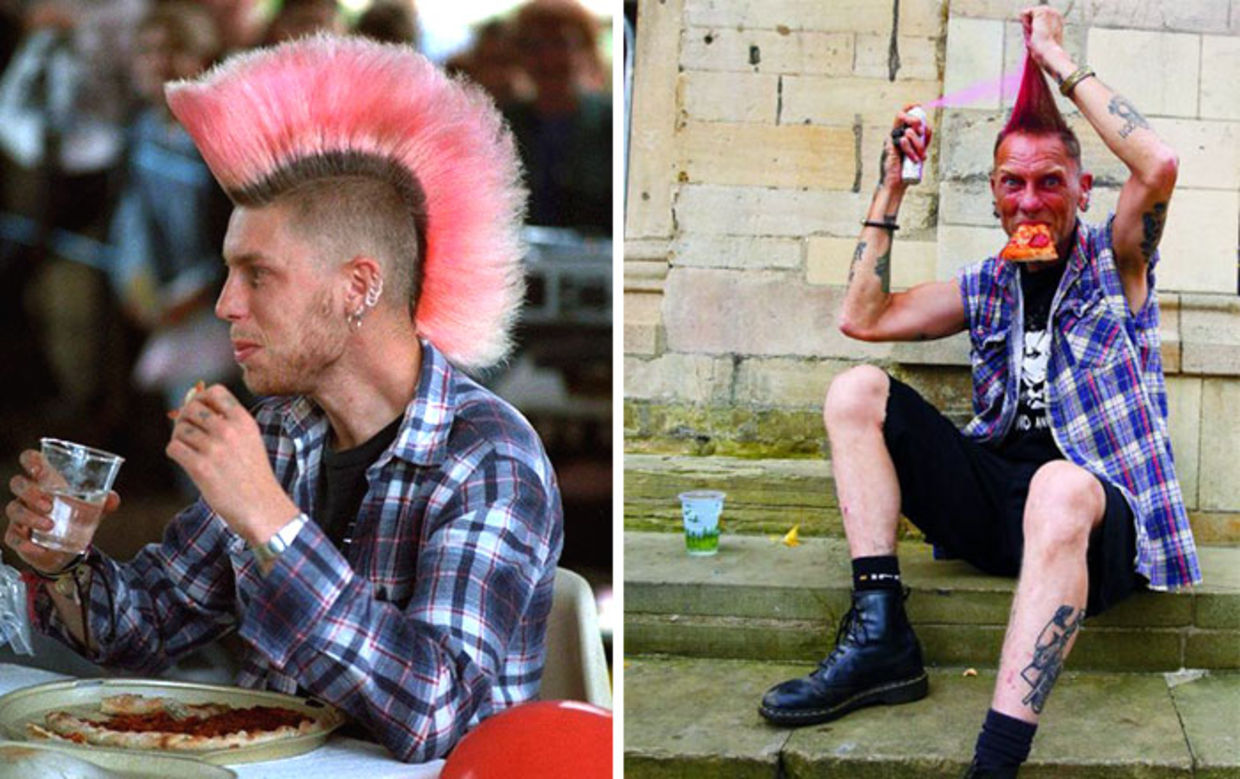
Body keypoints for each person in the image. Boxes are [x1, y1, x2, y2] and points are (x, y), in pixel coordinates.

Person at [5, 35, 563, 763]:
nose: (226, 303)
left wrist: (270, 520)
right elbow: (140, 628)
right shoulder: (279, 431)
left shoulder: (488, 455)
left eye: (257, 274)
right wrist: (63, 560)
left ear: (358, 286)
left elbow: (437, 714)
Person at [757, 7, 1199, 778]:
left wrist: (1057, 61)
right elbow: (861, 319)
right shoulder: (989, 283)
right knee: (857, 390)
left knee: (1060, 487)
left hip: (1096, 523)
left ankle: (994, 762)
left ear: (1083, 188)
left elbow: (1157, 166)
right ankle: (881, 632)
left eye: (1049, 183)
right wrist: (893, 185)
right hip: (1000, 506)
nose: (1030, 202)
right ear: (994, 194)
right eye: (1013, 184)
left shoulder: (1116, 262)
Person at [108, 2, 236, 455]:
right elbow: (129, 218)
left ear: (204, 58)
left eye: (175, 49)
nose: (159, 63)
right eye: (147, 50)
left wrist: (196, 293)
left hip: (222, 303)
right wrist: (135, 285)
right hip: (166, 302)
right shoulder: (138, 130)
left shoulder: (224, 136)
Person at [503, 0, 610, 234]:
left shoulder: (611, 122)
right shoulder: (502, 125)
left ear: (586, 50)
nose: (548, 58)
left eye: (561, 43)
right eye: (534, 46)